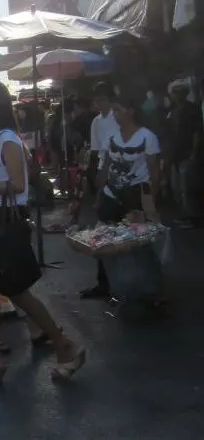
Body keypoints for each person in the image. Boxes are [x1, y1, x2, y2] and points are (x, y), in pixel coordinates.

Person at [0, 82, 84, 385]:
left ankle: (65, 346)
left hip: (8, 222)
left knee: (15, 291)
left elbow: (19, 185)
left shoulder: (7, 140)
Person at [84, 94, 161, 300]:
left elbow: (154, 172)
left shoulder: (147, 137)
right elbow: (105, 167)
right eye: (114, 111)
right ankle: (104, 284)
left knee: (139, 243)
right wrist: (99, 195)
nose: (115, 114)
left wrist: (150, 203)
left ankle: (150, 288)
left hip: (135, 196)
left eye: (118, 110)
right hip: (111, 195)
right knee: (103, 240)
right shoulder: (111, 136)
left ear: (131, 111)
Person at [168, 82, 202, 226]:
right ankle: (185, 215)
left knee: (188, 188)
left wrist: (194, 154)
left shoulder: (193, 109)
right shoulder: (173, 110)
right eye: (175, 92)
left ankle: (194, 218)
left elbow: (197, 133)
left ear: (186, 93)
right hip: (175, 155)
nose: (178, 94)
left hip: (188, 154)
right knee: (177, 189)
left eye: (181, 91)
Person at [88, 83, 120, 196]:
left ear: (111, 100)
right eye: (97, 100)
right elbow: (96, 149)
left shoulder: (119, 118)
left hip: (121, 164)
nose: (99, 104)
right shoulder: (96, 121)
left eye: (102, 100)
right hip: (103, 165)